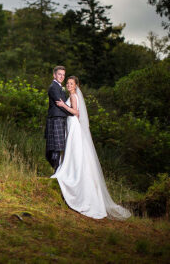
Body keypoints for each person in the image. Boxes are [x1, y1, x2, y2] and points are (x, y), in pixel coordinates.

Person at [51, 76, 131, 220]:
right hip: (71, 125)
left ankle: (72, 175)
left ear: (76, 86)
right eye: (67, 83)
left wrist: (63, 105)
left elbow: (76, 112)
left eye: (71, 84)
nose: (68, 85)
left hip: (74, 125)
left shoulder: (74, 96)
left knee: (73, 151)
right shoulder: (71, 95)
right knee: (73, 152)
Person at [45, 66, 73, 171]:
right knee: (56, 147)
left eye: (63, 75)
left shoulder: (59, 87)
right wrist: (72, 113)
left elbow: (64, 103)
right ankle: (56, 171)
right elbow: (60, 103)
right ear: (54, 75)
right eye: (59, 74)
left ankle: (56, 170)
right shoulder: (53, 87)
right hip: (56, 118)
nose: (61, 77)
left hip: (60, 118)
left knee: (57, 147)